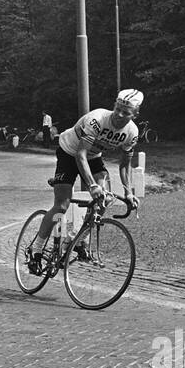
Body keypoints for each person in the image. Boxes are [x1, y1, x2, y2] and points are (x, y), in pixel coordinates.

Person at [27, 89, 143, 267]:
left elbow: (125, 165)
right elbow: (80, 154)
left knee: (103, 200)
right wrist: (92, 186)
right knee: (62, 205)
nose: (119, 114)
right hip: (69, 152)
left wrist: (128, 193)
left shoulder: (132, 133)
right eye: (117, 108)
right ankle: (36, 249)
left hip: (93, 157)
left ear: (135, 114)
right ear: (114, 105)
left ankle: (76, 241)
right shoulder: (97, 119)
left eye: (126, 112)